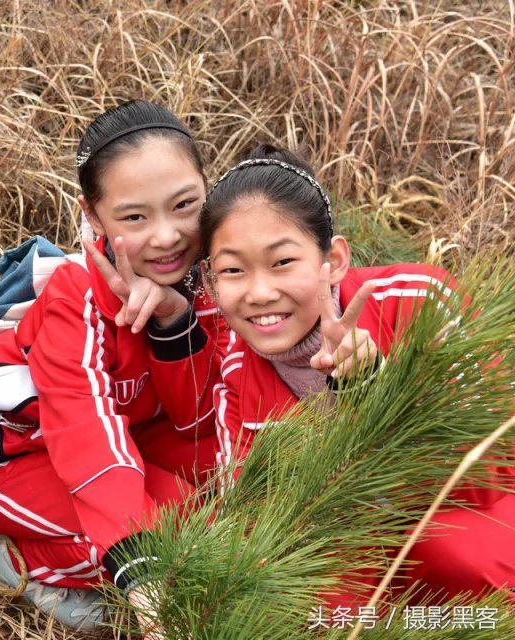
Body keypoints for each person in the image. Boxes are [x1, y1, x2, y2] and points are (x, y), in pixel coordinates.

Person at [0, 100, 225, 633]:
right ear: (93, 216)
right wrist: (139, 565)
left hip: (135, 432)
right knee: (180, 536)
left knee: (237, 485)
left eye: (185, 205)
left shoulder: (209, 276)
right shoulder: (77, 297)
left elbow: (197, 419)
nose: (166, 236)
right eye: (134, 217)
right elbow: (85, 427)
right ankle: (27, 566)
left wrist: (173, 320)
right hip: (23, 451)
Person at [202, 144, 515, 605]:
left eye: (283, 261)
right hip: (358, 551)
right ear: (211, 282)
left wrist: (373, 389)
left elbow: (494, 470)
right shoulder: (235, 373)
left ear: (334, 261)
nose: (260, 292)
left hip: (469, 520)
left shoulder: (419, 301)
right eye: (233, 270)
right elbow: (254, 524)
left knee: (451, 554)